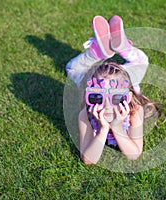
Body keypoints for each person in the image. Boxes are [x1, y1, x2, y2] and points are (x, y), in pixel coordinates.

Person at [65, 15, 159, 165]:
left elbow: (134, 154)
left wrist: (116, 126)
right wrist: (102, 130)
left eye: (116, 98)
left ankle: (102, 51)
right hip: (118, 79)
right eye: (97, 98)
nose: (107, 105)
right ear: (90, 96)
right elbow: (88, 159)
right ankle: (114, 49)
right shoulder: (86, 113)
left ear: (127, 97)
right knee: (141, 62)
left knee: (73, 68)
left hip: (124, 79)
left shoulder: (134, 110)